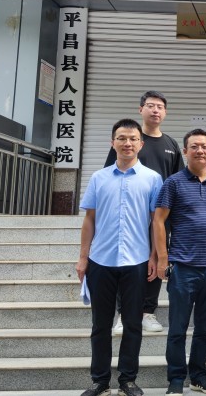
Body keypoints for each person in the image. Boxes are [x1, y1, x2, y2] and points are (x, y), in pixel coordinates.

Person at [77, 118, 163, 396]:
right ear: (112, 142)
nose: (127, 143)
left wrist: (155, 257)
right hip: (101, 261)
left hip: (136, 261)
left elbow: (156, 222)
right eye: (122, 138)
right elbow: (89, 220)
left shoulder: (152, 178)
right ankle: (100, 380)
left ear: (141, 143)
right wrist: (83, 258)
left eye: (133, 139)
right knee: (100, 325)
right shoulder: (99, 178)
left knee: (133, 324)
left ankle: (128, 379)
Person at [103, 90, 184, 335]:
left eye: (160, 106)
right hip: (128, 213)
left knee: (157, 259)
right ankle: (123, 314)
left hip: (160, 215)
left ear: (165, 112)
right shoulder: (129, 140)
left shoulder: (171, 145)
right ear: (141, 110)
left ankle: (148, 312)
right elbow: (110, 174)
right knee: (125, 261)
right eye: (150, 105)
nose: (155, 110)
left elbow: (178, 180)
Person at [153, 129, 206, 396]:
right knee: (178, 328)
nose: (200, 151)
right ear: (185, 151)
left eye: (205, 146)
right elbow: (159, 220)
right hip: (183, 267)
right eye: (194, 146)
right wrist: (163, 258)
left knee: (204, 329)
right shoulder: (173, 183)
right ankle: (175, 379)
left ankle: (198, 376)